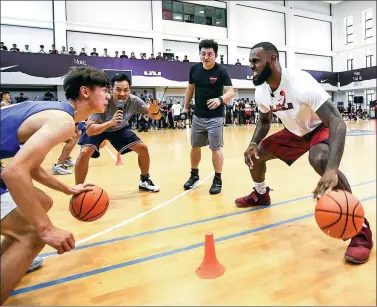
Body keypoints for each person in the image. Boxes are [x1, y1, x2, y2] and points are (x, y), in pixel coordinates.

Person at [234, 42, 373, 264]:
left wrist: (332, 170)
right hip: (294, 132)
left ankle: (361, 230)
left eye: (255, 61)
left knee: (319, 159)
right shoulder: (262, 90)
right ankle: (261, 194)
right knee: (255, 156)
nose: (251, 66)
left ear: (272, 60)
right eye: (250, 62)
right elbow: (263, 121)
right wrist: (253, 142)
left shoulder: (300, 83)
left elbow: (337, 122)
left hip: (319, 127)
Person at [0, 66, 111, 304]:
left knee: (42, 202)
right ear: (85, 92)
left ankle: (10, 261)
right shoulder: (62, 120)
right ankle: (20, 252)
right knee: (33, 236)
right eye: (104, 90)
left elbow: (30, 166)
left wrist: (67, 189)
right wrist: (46, 229)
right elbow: (14, 172)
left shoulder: (57, 114)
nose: (109, 95)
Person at [75, 74, 161, 192]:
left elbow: (155, 116)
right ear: (111, 89)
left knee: (143, 148)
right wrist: (110, 122)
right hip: (99, 127)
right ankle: (78, 188)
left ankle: (144, 180)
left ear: (129, 89)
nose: (122, 94)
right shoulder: (102, 101)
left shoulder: (134, 101)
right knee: (84, 153)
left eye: (126, 90)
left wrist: (155, 111)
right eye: (118, 90)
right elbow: (90, 130)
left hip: (118, 129)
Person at [183, 39, 234, 194]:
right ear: (200, 55)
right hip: (198, 115)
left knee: (215, 148)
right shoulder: (194, 69)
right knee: (195, 146)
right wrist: (185, 107)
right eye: (203, 54)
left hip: (215, 117)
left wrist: (220, 100)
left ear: (215, 55)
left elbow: (230, 92)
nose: (206, 57)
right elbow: (190, 89)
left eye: (209, 54)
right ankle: (194, 174)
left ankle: (217, 179)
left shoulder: (221, 71)